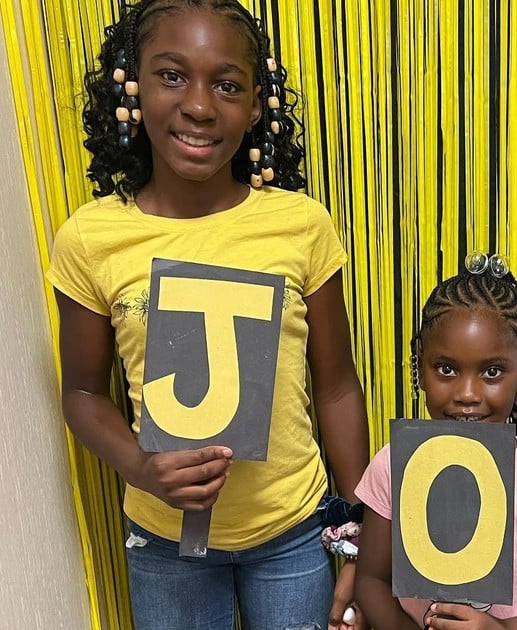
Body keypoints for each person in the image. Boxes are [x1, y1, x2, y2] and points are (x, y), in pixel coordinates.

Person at [47, 2, 369, 628]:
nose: (199, 106)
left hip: (293, 532)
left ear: (255, 106)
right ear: (132, 85)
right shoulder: (91, 238)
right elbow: (83, 392)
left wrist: (356, 534)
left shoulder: (299, 224)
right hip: (166, 542)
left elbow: (336, 386)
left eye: (226, 84)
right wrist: (140, 466)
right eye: (172, 76)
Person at [353, 253, 517, 630]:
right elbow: (370, 581)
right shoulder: (392, 464)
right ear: (419, 368)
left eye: (492, 372)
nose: (466, 394)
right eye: (446, 369)